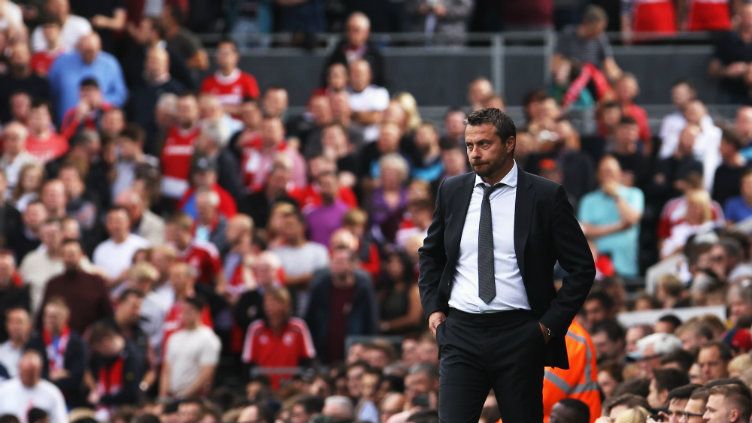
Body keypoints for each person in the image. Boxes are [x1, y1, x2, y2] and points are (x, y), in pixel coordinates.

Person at [418, 108, 595, 422]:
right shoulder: (452, 190)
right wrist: (433, 308)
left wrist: (548, 326)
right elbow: (431, 255)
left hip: (520, 333)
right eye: (469, 145)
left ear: (510, 143)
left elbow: (582, 268)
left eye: (484, 144)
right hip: (460, 331)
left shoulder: (545, 195)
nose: (475, 153)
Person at [159, 296, 221, 400]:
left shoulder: (208, 338)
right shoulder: (174, 338)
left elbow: (207, 372)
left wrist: (186, 395)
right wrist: (163, 394)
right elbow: (166, 369)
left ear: (199, 312)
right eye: (182, 311)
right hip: (172, 395)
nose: (184, 314)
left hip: (195, 397)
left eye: (189, 310)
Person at [0, 351, 68, 423]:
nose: (27, 376)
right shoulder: (4, 390)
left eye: (31, 373)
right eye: (25, 372)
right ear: (19, 369)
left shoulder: (52, 392)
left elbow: (61, 420)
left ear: (39, 370)